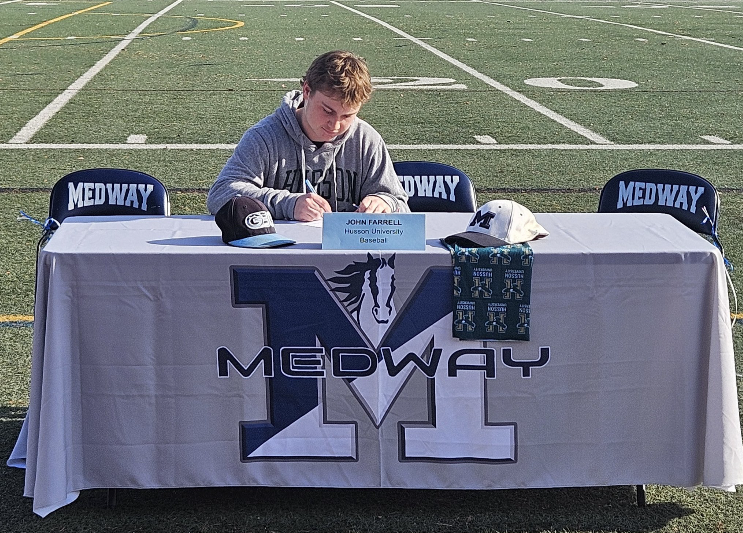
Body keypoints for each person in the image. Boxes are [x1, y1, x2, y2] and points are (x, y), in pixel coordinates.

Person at [207, 50, 409, 221]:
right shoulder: (264, 137)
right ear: (306, 90)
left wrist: (385, 203)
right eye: (327, 111)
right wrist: (289, 204)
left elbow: (400, 203)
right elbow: (221, 194)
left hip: (345, 251)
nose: (335, 125)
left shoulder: (366, 140)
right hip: (280, 251)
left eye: (347, 115)